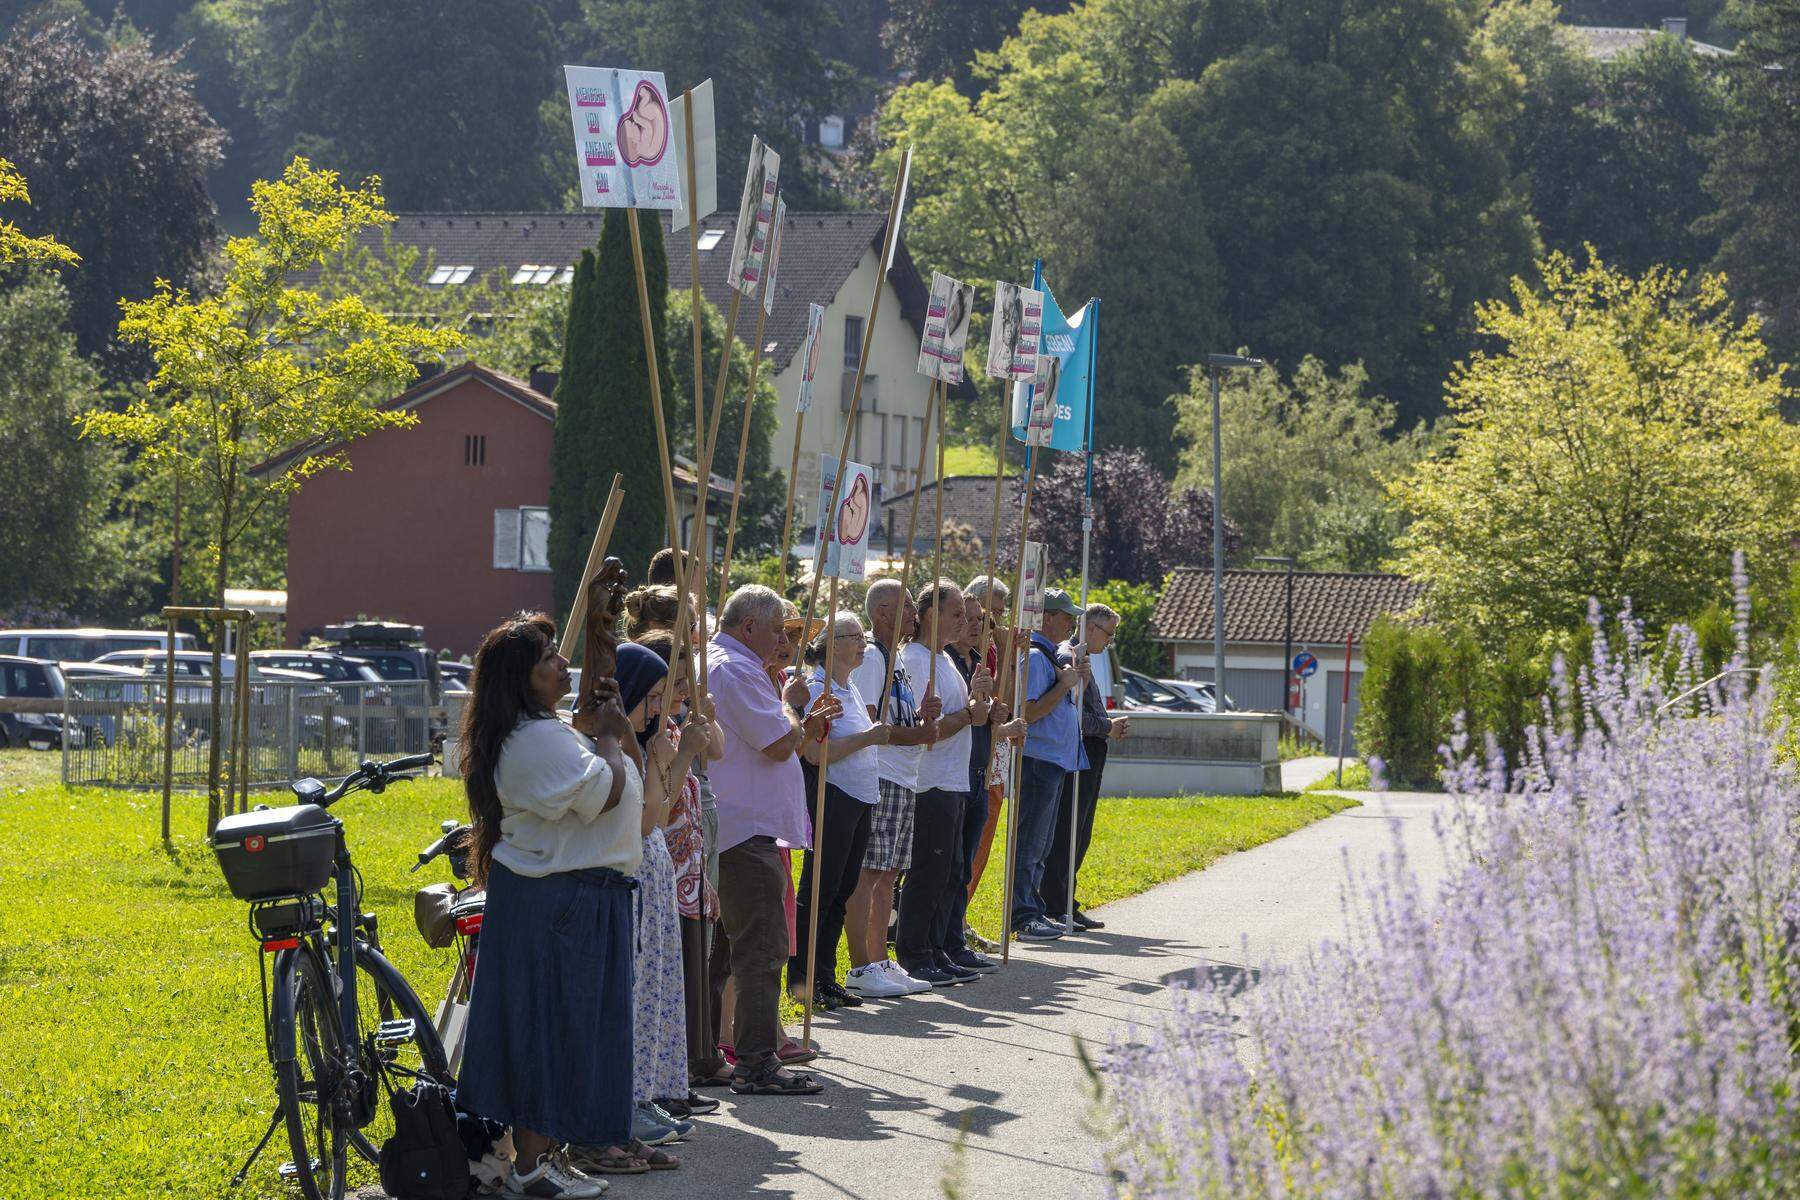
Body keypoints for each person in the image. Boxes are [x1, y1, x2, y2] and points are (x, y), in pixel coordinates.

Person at [456, 612, 643, 1196]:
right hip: (555, 902)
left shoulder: (544, 728)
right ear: (521, 678)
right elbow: (600, 794)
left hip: (572, 897)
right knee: (547, 1033)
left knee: (565, 1034)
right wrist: (609, 736)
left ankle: (543, 1161)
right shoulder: (530, 740)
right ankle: (531, 1171)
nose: (563, 664)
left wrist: (598, 729)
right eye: (548, 659)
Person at [704, 585, 835, 1095]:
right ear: (748, 626)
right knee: (760, 949)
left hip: (734, 824)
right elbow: (781, 744)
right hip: (746, 828)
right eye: (778, 627)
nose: (784, 637)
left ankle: (705, 1053)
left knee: (723, 951)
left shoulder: (719, 661)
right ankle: (756, 1062)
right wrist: (791, 705)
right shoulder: (736, 669)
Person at [612, 643, 705, 1162]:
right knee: (639, 992)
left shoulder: (648, 744)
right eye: (648, 698)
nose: (657, 709)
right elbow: (649, 818)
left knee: (659, 991)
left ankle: (646, 1093)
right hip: (635, 879)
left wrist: (675, 756)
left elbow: (663, 812)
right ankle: (628, 1099)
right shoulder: (621, 748)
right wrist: (663, 762)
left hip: (656, 877)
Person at [632, 630, 728, 1111]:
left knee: (682, 980)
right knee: (662, 986)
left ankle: (672, 1078)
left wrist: (701, 875)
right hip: (658, 872)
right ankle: (659, 1085)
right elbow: (661, 811)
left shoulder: (672, 728)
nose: (686, 685)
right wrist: (686, 753)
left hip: (684, 875)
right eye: (678, 676)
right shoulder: (650, 740)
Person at [788, 612, 890, 1009]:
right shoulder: (818, 690)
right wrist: (868, 738)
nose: (863, 643)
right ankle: (802, 979)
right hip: (834, 796)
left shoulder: (847, 689)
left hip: (860, 799)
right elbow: (815, 753)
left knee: (842, 890)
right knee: (820, 889)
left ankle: (826, 976)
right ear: (831, 645)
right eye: (855, 636)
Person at [843, 579, 940, 998]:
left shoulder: (894, 658)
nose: (914, 616)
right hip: (881, 773)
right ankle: (861, 965)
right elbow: (868, 722)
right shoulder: (872, 659)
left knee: (888, 874)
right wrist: (915, 735)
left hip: (902, 775)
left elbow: (894, 718)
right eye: (904, 608)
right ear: (881, 613)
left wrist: (920, 717)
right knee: (869, 872)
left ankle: (880, 958)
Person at [895, 582, 993, 985]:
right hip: (929, 779)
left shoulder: (945, 659)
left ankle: (939, 947)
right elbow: (925, 726)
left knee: (951, 869)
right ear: (931, 615)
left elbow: (967, 714)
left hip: (954, 779)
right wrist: (970, 715)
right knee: (928, 870)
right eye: (956, 614)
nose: (964, 622)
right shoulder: (916, 660)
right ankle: (915, 953)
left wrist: (982, 706)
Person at [1040, 603, 1132, 931]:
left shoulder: (1085, 658)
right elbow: (1074, 717)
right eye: (1109, 633)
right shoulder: (1071, 657)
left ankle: (1066, 901)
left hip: (1090, 753)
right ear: (1090, 628)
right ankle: (1056, 903)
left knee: (1080, 832)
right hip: (1078, 754)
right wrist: (1107, 726)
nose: (1110, 641)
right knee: (1068, 831)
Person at [950, 577, 1026, 957]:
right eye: (985, 613)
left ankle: (959, 920)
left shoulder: (989, 651)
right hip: (965, 761)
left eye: (996, 613)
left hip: (989, 757)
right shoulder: (957, 657)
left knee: (978, 845)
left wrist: (1010, 657)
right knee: (961, 849)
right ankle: (951, 925)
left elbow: (1003, 702)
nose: (991, 622)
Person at [1010, 588, 1089, 943]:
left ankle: (1034, 907)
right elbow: (1031, 711)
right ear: (1046, 618)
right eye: (1066, 616)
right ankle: (1022, 914)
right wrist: (1065, 686)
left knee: (1041, 845)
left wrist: (1072, 674)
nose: (1071, 622)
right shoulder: (1037, 657)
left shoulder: (1051, 656)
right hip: (1039, 760)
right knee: (1030, 842)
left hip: (1052, 761)